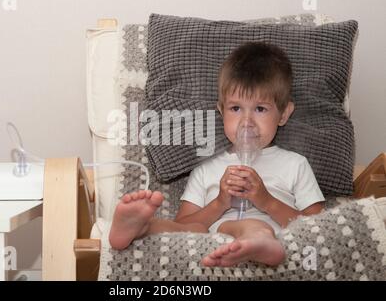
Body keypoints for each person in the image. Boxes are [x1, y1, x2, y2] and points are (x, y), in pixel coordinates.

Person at [108, 42, 325, 267]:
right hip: (214, 238)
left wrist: (266, 201)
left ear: (283, 114)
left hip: (271, 234)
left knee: (254, 226)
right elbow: (183, 223)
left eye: (260, 109)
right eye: (235, 109)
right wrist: (220, 203)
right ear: (221, 111)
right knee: (191, 228)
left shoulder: (295, 165)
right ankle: (141, 228)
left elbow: (318, 227)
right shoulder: (207, 168)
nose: (246, 122)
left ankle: (260, 240)